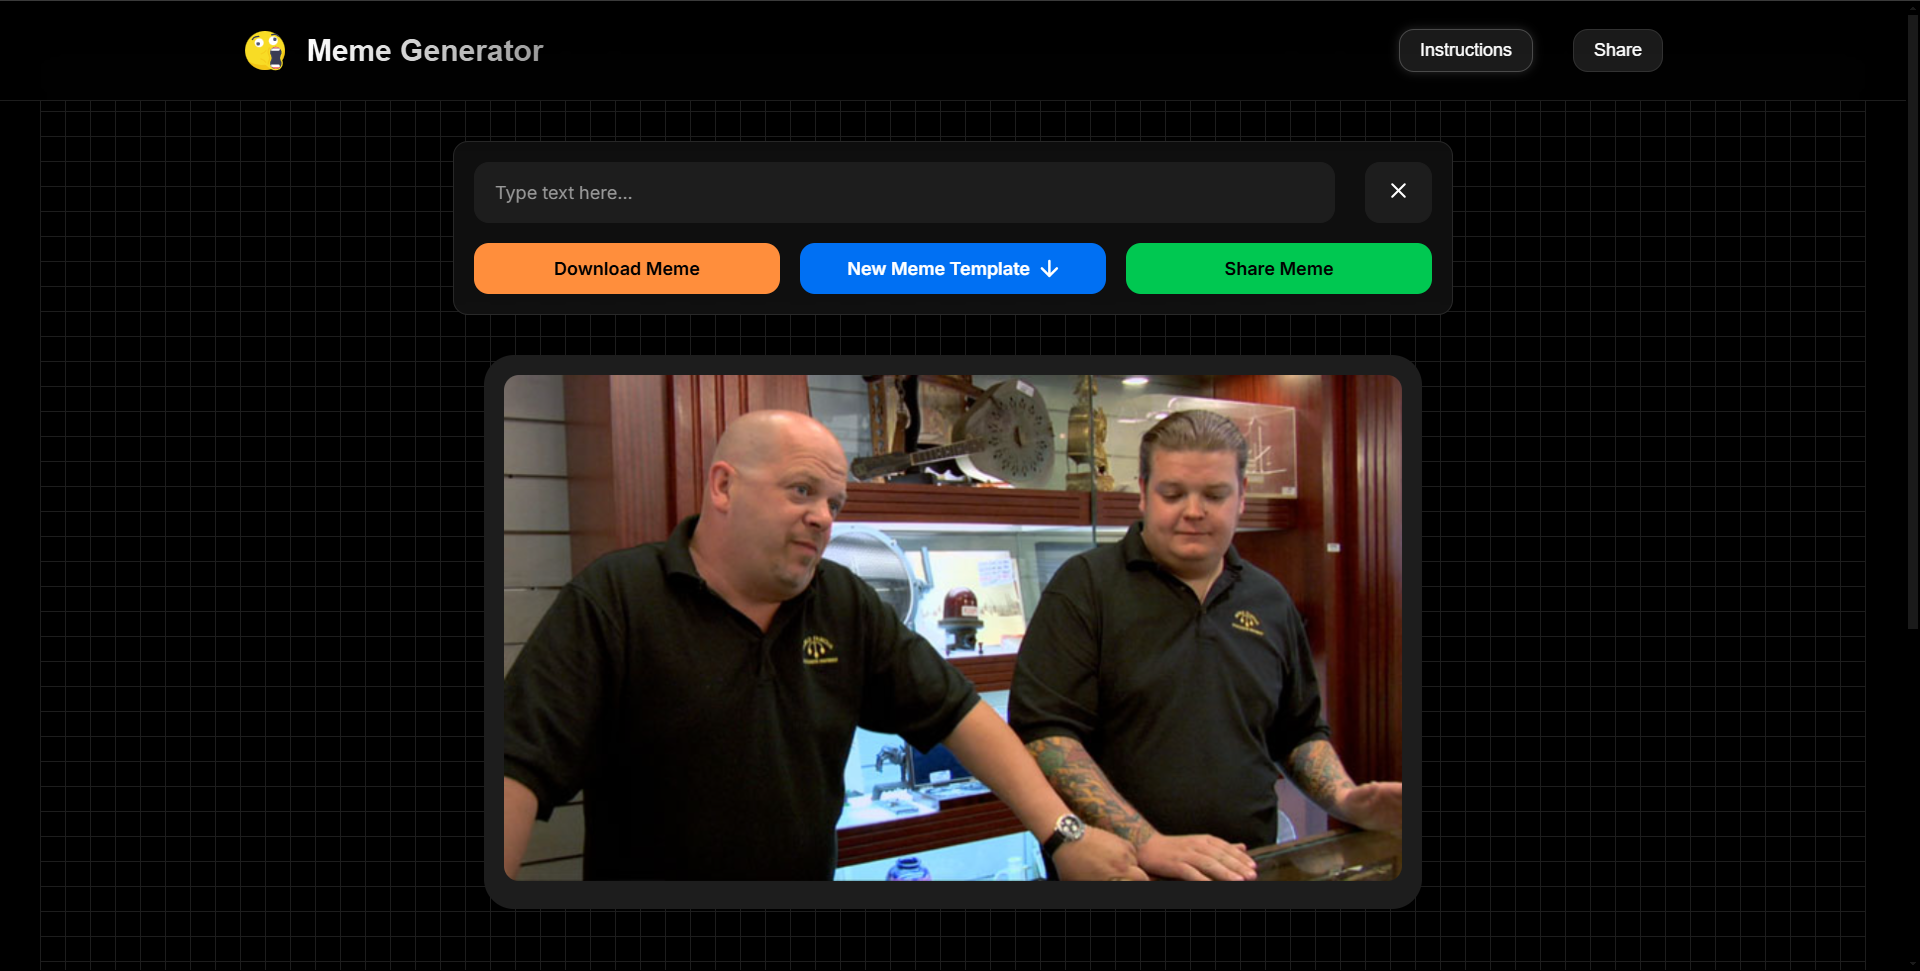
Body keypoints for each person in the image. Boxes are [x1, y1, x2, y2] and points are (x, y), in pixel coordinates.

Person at [503, 409, 1147, 881]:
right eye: (802, 491)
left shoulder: (842, 601)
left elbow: (959, 714)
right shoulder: (617, 598)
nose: (823, 517)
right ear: (723, 486)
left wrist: (1063, 834)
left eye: (834, 503)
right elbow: (515, 766)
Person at [1010, 409, 1402, 882]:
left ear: (1242, 497)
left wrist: (1345, 798)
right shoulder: (1084, 588)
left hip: (1249, 866)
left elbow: (1297, 731)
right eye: (1173, 493)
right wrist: (1147, 842)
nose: (1193, 511)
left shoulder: (1270, 598)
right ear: (1143, 493)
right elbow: (1045, 735)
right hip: (1122, 874)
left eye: (1214, 495)